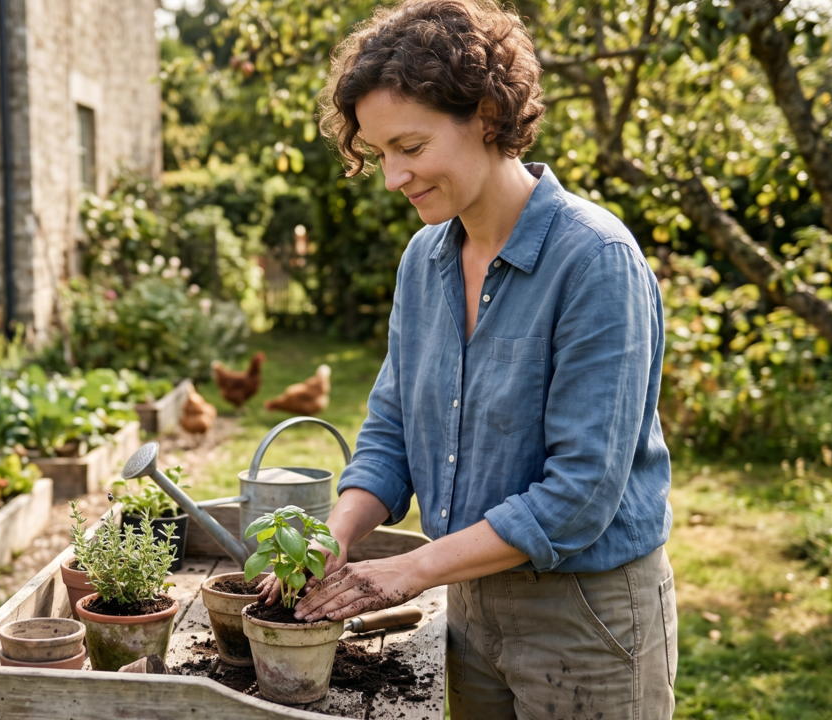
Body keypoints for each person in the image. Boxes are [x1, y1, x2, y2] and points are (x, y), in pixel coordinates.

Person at [253, 1, 677, 717]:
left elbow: (577, 496)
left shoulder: (594, 260)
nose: (392, 177)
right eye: (380, 153)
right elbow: (390, 434)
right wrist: (337, 532)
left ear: (486, 113)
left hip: (587, 619)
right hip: (470, 601)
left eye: (410, 148)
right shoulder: (425, 261)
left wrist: (410, 570)